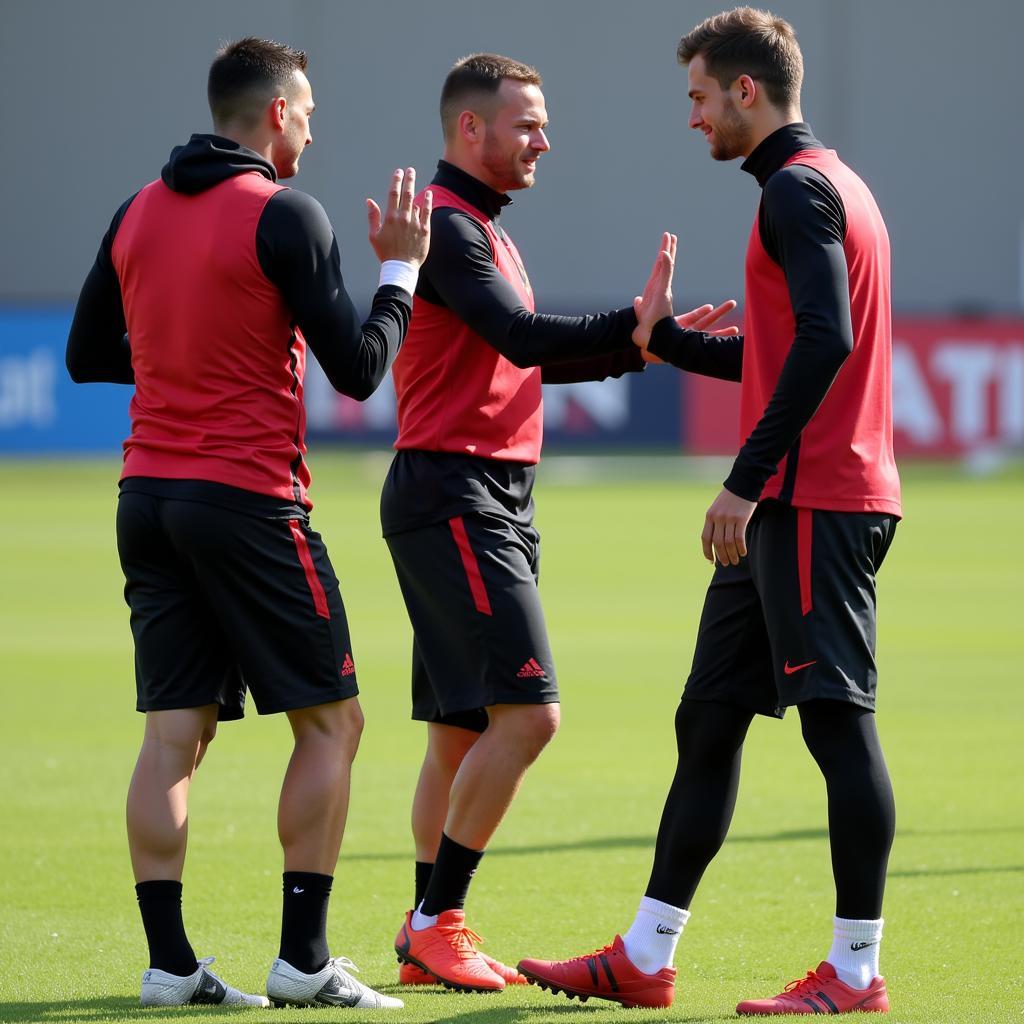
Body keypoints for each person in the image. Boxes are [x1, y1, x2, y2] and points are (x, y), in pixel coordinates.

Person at [517, 7, 901, 1016]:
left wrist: (743, 477)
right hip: (796, 497)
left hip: (816, 495)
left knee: (836, 725)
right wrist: (666, 342)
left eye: (696, 96)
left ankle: (856, 972)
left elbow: (827, 340)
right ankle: (646, 954)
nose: (689, 118)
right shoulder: (834, 184)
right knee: (708, 717)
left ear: (745, 90)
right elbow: (791, 349)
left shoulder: (793, 193)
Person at [66, 37, 429, 1009]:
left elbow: (86, 355)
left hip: (146, 500)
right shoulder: (286, 213)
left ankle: (170, 965)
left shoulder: (136, 209)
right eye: (306, 109)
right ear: (275, 112)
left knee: (171, 734)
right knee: (332, 722)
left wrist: (187, 364)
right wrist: (400, 271)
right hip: (249, 501)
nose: (311, 125)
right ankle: (304, 960)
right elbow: (356, 369)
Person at [381, 53, 735, 995]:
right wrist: (636, 321)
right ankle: (434, 922)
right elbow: (522, 338)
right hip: (456, 494)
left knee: (460, 734)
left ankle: (427, 935)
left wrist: (640, 349)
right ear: (470, 129)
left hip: (472, 494)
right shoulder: (454, 232)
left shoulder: (485, 232)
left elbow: (522, 363)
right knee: (531, 715)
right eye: (527, 123)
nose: (544, 139)